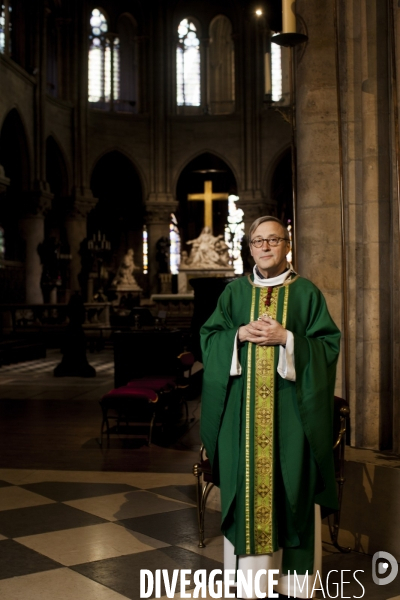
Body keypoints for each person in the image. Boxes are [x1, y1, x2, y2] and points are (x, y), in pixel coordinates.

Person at [200, 216, 341, 599]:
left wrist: (288, 339)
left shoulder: (307, 293)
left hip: (293, 419)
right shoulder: (232, 294)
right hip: (242, 420)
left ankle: (293, 586)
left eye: (273, 240)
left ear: (287, 245)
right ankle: (251, 585)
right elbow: (210, 338)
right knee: (247, 491)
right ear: (250, 249)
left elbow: (328, 346)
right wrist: (237, 335)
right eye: (257, 241)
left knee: (292, 487)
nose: (264, 247)